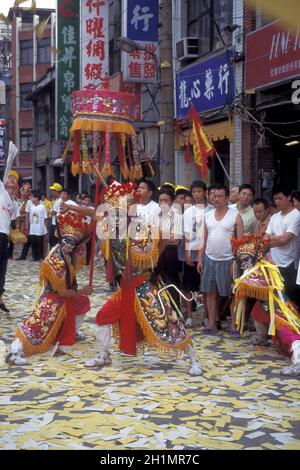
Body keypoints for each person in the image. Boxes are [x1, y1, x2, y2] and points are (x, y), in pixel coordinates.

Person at [63, 181, 202, 375]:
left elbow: (161, 238)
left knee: (168, 323)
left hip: (144, 286)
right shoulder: (109, 226)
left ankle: (194, 359)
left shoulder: (139, 228)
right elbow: (92, 212)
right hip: (125, 288)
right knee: (103, 317)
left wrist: (155, 256)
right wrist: (70, 207)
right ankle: (104, 355)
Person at [6, 210, 92, 365]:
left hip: (66, 297)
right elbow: (62, 292)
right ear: (60, 238)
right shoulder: (55, 259)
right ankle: (15, 350)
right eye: (66, 241)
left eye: (72, 243)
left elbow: (85, 242)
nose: (68, 245)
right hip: (54, 299)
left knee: (83, 302)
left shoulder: (70, 254)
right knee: (37, 326)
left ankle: (63, 334)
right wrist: (82, 291)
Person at [197, 185, 244, 333]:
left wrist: (236, 262)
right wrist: (200, 259)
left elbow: (240, 241)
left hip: (229, 259)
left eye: (219, 196)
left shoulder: (235, 215)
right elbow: (203, 238)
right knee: (209, 291)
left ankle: (234, 324)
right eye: (214, 196)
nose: (216, 199)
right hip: (210, 257)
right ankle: (211, 322)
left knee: (231, 293)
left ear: (227, 198)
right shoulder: (208, 215)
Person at [183, 180, 213, 327]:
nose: (196, 195)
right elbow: (187, 234)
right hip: (193, 251)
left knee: (206, 286)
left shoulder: (212, 210)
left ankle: (206, 316)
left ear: (205, 192)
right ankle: (189, 316)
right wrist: (187, 253)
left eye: (199, 191)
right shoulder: (188, 212)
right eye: (193, 192)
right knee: (188, 286)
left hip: (208, 252)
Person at [266, 185, 300, 305]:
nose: (277, 201)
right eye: (275, 199)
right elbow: (265, 238)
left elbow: (285, 240)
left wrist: (273, 239)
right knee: (275, 300)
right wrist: (276, 239)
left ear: (289, 197)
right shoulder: (274, 216)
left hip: (289, 264)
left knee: (290, 301)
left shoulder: (296, 215)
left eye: (280, 198)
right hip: (273, 264)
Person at [0, 172, 19, 312]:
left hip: (5, 237)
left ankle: (0, 298)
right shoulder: (1, 192)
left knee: (2, 269)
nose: (12, 183)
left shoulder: (14, 203)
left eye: (14, 182)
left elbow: (13, 222)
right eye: (9, 181)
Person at [27, 190, 48, 261]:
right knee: (33, 242)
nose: (31, 199)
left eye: (32, 197)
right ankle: (35, 257)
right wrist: (29, 226)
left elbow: (45, 218)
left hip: (40, 228)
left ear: (36, 198)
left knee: (40, 243)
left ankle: (40, 257)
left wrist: (45, 228)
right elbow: (30, 218)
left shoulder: (42, 207)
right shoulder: (31, 207)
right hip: (33, 228)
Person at [49, 183, 62, 248]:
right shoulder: (56, 200)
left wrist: (51, 211)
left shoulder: (60, 200)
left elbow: (53, 212)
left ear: (56, 191)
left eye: (53, 190)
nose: (51, 192)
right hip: (54, 222)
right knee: (52, 241)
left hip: (57, 224)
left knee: (54, 241)